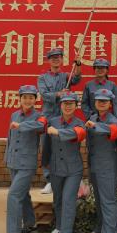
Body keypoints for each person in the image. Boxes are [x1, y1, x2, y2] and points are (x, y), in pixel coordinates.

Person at [0, 85, 47, 233]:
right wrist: (7, 158)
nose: (27, 100)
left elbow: (40, 127)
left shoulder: (40, 116)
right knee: (23, 194)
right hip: (13, 161)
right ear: (19, 99)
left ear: (35, 100)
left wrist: (22, 126)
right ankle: (30, 224)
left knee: (14, 195)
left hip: (27, 164)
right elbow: (10, 138)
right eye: (24, 97)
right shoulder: (14, 115)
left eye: (31, 97)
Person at [43, 92, 86, 233]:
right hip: (56, 168)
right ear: (60, 105)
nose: (68, 106)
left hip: (73, 169)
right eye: (65, 103)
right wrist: (45, 163)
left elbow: (77, 134)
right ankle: (59, 227)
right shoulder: (52, 121)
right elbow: (47, 144)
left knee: (68, 200)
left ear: (76, 106)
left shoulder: (80, 123)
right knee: (58, 200)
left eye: (71, 103)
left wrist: (58, 132)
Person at [38, 48, 82, 194]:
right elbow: (44, 95)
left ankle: (68, 176)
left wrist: (78, 64)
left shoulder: (66, 76)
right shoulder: (43, 78)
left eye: (58, 57)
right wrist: (59, 94)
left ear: (62, 59)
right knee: (47, 147)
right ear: (49, 60)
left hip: (65, 117)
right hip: (49, 116)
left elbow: (76, 78)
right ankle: (49, 180)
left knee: (66, 145)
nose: (56, 59)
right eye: (53, 57)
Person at [84, 89, 117, 233]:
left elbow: (114, 131)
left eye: (105, 101)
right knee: (99, 199)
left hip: (107, 165)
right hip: (94, 163)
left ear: (110, 104)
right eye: (99, 100)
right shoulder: (93, 117)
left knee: (108, 200)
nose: (101, 103)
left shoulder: (113, 119)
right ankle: (100, 228)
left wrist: (96, 126)